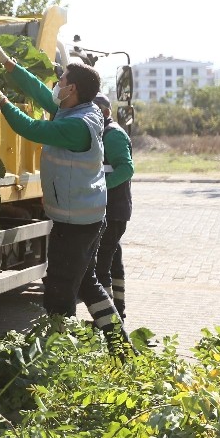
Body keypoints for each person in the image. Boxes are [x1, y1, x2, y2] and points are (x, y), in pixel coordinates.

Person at [0, 33, 123, 339]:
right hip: (85, 217)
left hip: (76, 223)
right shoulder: (80, 109)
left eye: (62, 79)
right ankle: (120, 347)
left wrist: (1, 101)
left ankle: (58, 351)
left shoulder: (75, 124)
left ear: (71, 89)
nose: (57, 83)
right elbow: (38, 92)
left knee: (59, 289)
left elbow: (30, 127)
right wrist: (5, 61)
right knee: (86, 283)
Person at [92, 92, 134, 323]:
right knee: (113, 260)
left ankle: (108, 322)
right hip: (111, 209)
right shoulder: (101, 132)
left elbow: (126, 169)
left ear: (106, 112)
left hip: (113, 211)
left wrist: (98, 187)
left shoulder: (113, 135)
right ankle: (118, 312)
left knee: (101, 265)